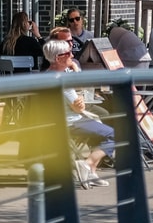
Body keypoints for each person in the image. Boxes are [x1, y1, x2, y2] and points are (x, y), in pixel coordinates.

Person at [41, 38, 114, 188]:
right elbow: (79, 108)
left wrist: (75, 70)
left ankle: (91, 172)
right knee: (113, 134)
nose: (73, 55)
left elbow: (80, 86)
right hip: (71, 122)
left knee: (99, 124)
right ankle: (87, 165)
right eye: (69, 53)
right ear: (58, 58)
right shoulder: (62, 80)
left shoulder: (50, 74)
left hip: (58, 121)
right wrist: (80, 98)